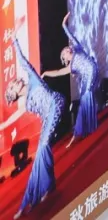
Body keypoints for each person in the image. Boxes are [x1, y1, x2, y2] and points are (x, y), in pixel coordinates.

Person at [1, 23, 64, 219]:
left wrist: (14, 40)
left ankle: (29, 200)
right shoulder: (24, 104)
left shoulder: (33, 79)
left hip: (56, 103)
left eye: (13, 82)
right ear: (15, 95)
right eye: (13, 86)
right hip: (47, 117)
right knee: (42, 152)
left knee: (43, 147)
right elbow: (13, 117)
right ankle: (49, 185)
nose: (15, 82)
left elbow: (21, 60)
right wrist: (1, 126)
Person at [42, 12, 100, 147]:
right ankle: (81, 130)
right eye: (65, 52)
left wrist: (64, 25)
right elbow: (57, 72)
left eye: (67, 49)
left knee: (86, 98)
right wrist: (45, 73)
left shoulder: (78, 49)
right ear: (65, 59)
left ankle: (84, 128)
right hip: (87, 79)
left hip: (93, 70)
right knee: (84, 102)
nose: (67, 50)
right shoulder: (71, 67)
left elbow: (71, 37)